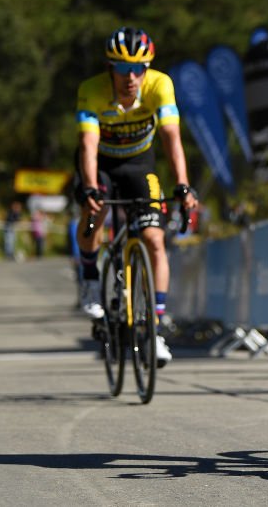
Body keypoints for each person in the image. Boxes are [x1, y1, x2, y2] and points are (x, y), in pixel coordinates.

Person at [75, 26, 199, 368]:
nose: (130, 77)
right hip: (100, 164)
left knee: (154, 240)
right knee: (95, 208)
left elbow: (172, 138)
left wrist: (183, 185)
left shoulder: (160, 85)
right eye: (121, 68)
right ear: (109, 68)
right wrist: (88, 187)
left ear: (147, 68)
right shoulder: (92, 91)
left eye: (138, 68)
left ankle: (155, 331)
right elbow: (87, 144)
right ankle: (89, 277)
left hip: (138, 164)